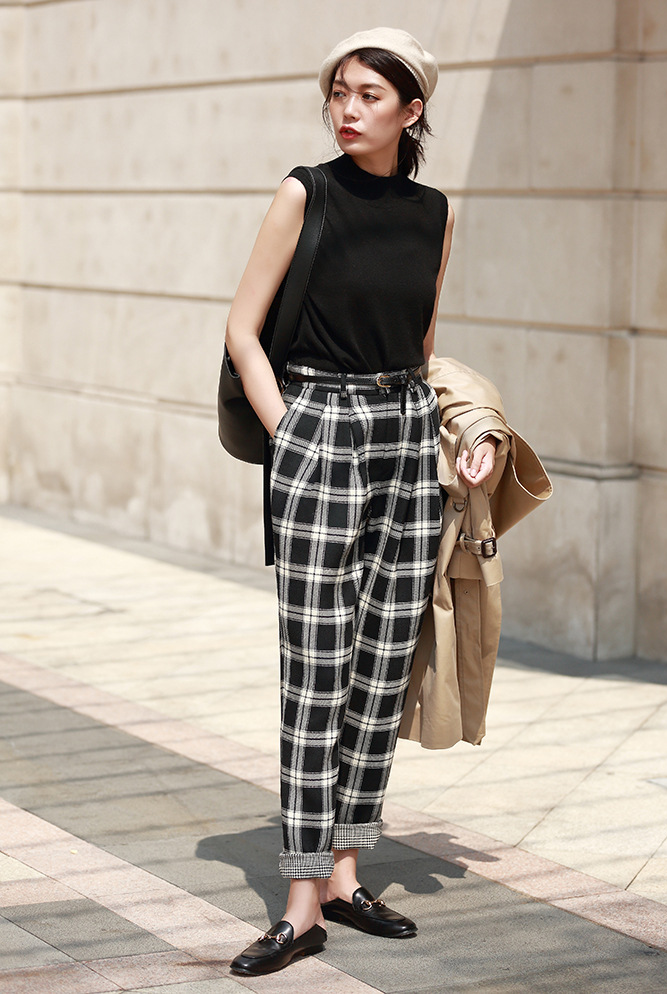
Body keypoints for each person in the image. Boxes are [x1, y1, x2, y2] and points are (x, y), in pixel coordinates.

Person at [224, 27, 497, 976]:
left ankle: (346, 872)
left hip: (406, 433)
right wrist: (291, 432)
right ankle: (301, 902)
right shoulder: (307, 192)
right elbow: (242, 328)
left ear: (411, 111)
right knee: (316, 672)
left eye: (369, 96)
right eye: (338, 92)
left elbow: (421, 344)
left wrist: (458, 433)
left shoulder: (435, 213)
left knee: (382, 666)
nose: (346, 109)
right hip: (320, 426)